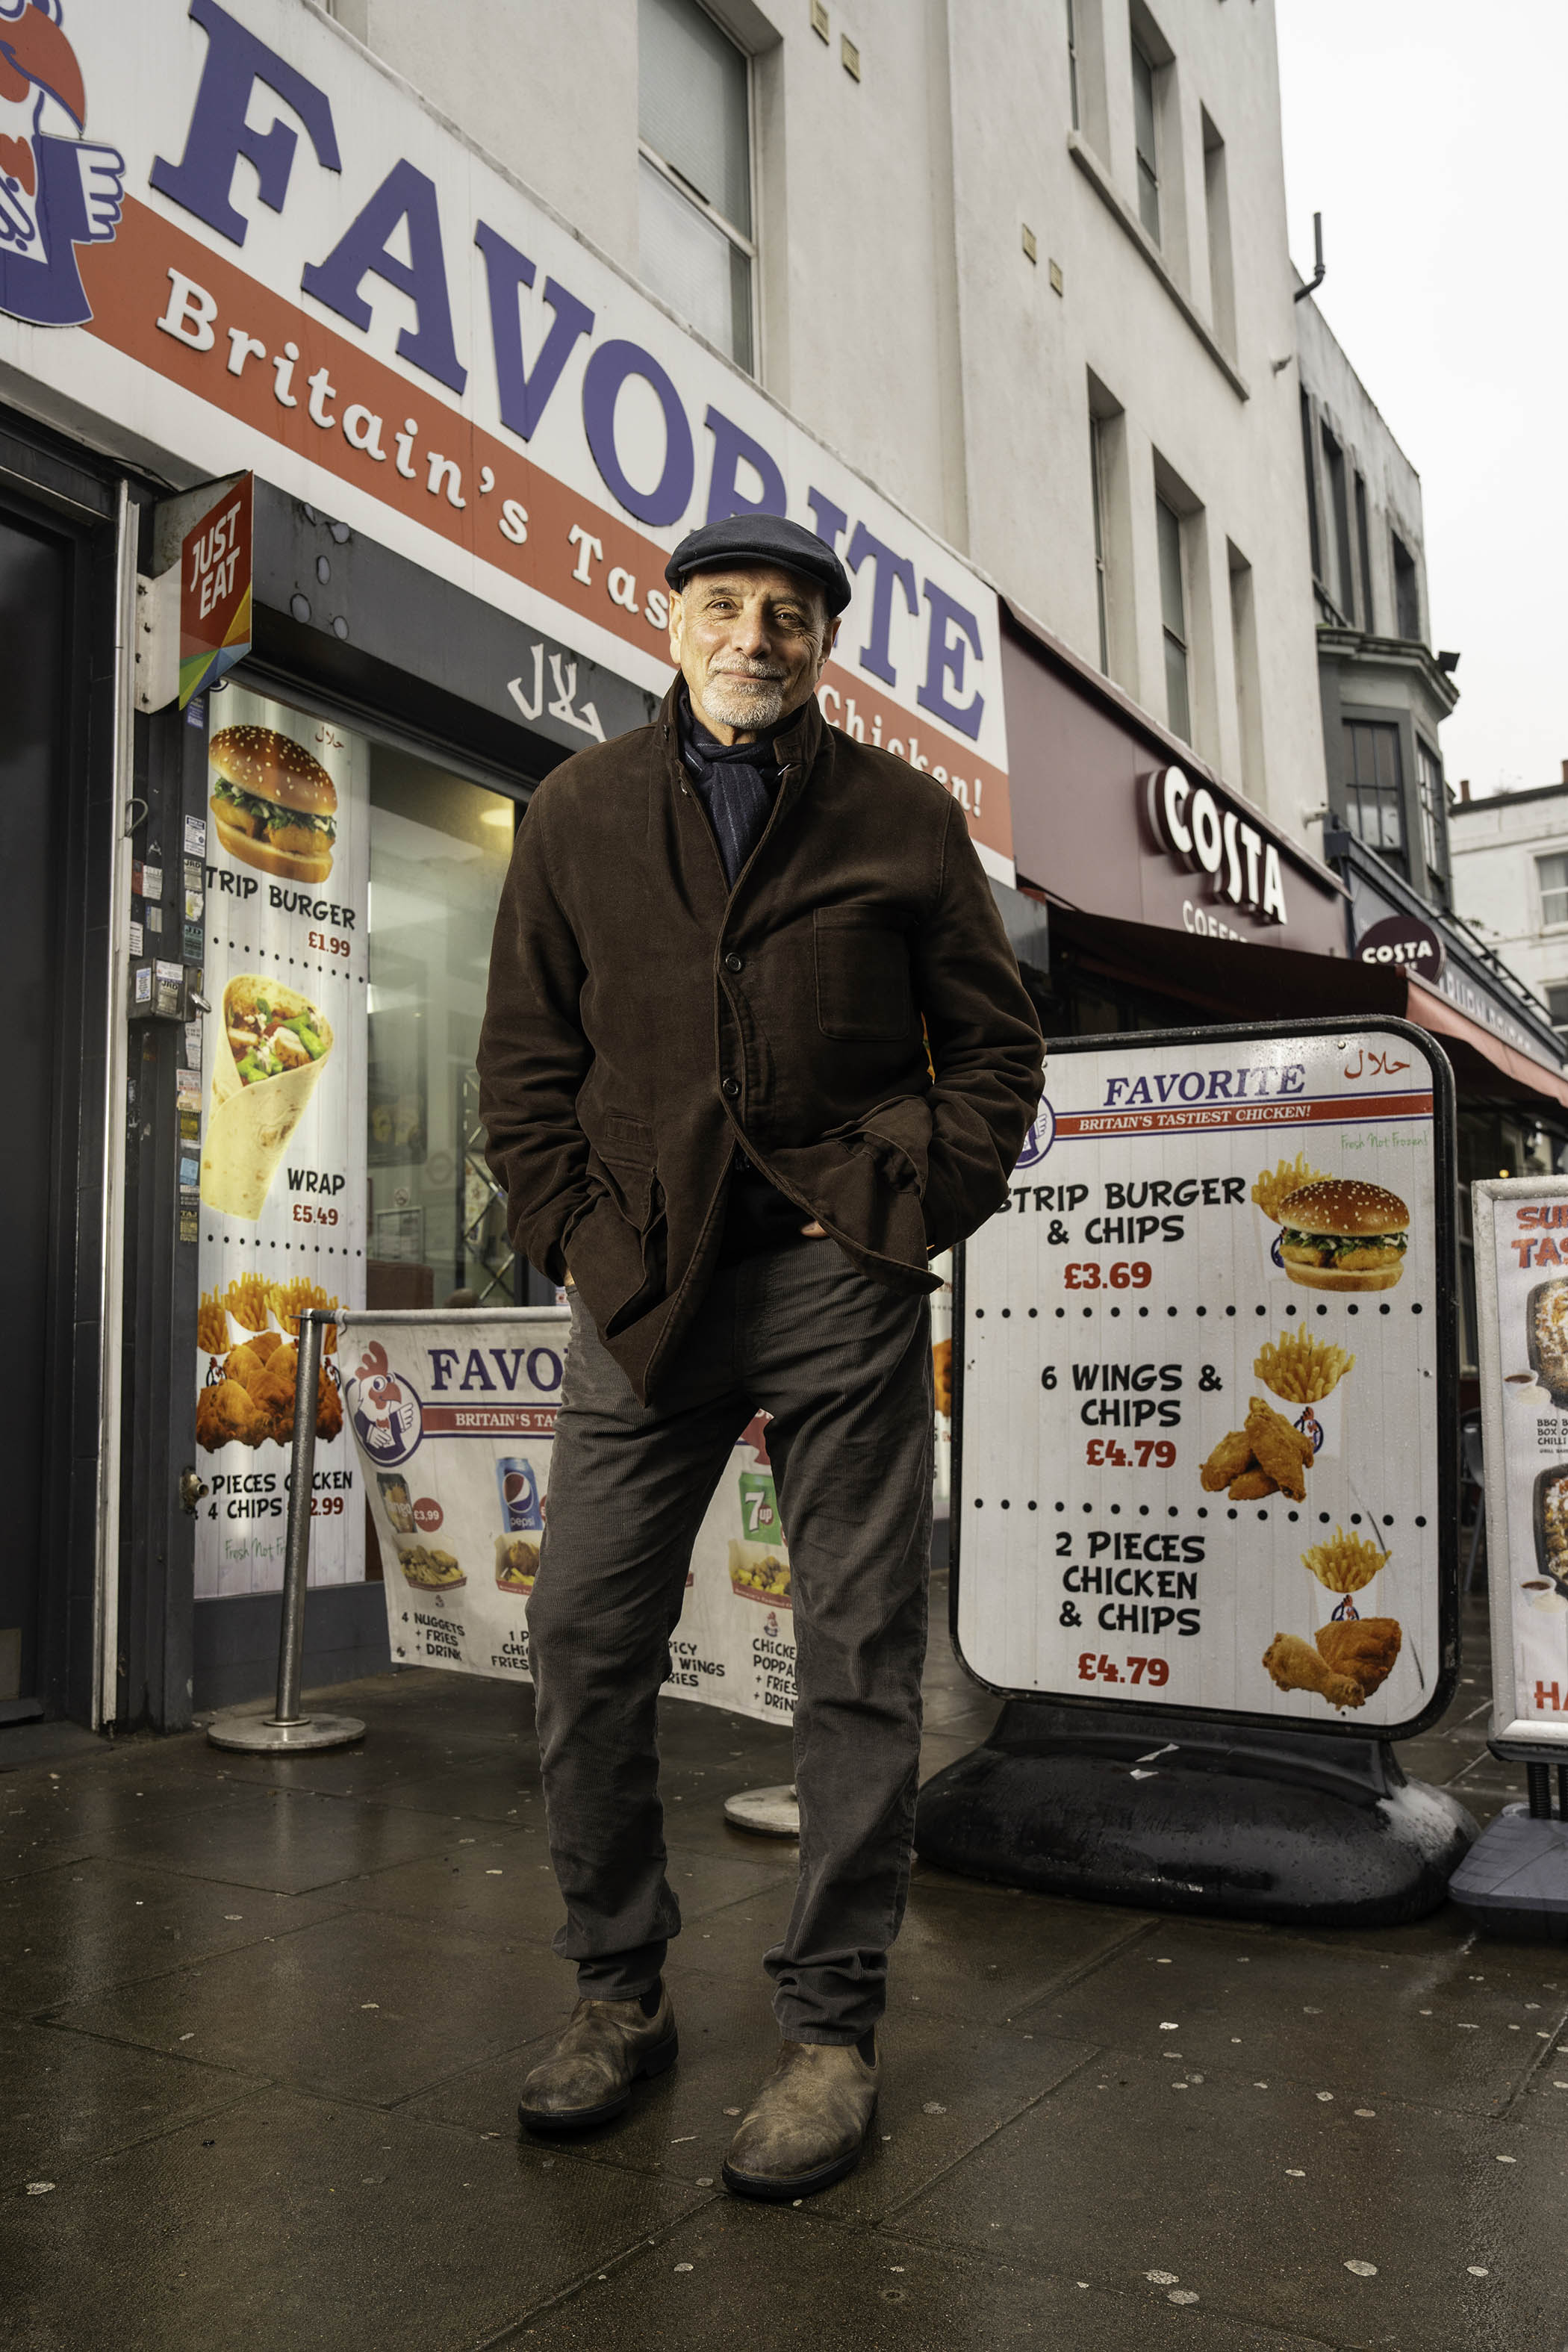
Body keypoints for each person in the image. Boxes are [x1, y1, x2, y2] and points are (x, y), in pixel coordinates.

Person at [477, 513, 1042, 2200]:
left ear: (823, 645)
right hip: (640, 1284)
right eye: (724, 606)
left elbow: (995, 1061)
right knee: (582, 1637)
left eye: (788, 614)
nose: (756, 634)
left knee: (861, 1652)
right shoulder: (578, 811)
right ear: (671, 624)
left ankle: (830, 2029)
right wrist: (583, 1236)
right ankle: (616, 1993)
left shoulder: (902, 818)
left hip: (834, 1278)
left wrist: (890, 1210)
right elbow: (522, 1070)